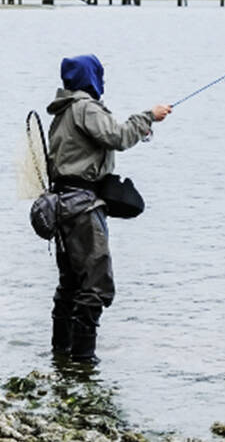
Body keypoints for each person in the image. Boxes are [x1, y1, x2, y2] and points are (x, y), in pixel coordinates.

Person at [45, 54, 171, 362]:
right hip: (83, 208)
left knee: (71, 283)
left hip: (62, 204)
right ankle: (84, 360)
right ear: (92, 77)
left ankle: (61, 354)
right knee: (96, 285)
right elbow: (118, 137)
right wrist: (148, 117)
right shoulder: (85, 108)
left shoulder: (62, 113)